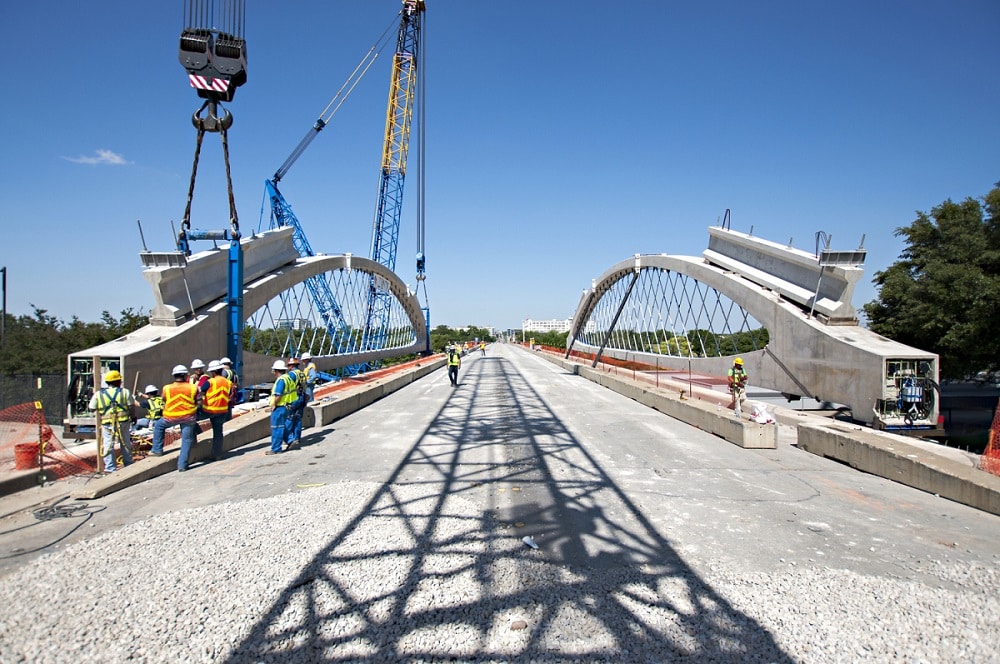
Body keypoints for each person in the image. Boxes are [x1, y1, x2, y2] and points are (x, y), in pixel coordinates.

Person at [151, 365, 202, 472]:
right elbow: (199, 403)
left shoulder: (167, 388)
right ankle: (182, 465)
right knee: (186, 440)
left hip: (170, 417)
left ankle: (157, 450)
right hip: (188, 417)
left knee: (159, 425)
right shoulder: (193, 387)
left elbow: (164, 399)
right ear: (185, 375)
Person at [88, 370, 136, 473]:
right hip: (123, 422)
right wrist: (133, 417)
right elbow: (131, 406)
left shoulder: (98, 394)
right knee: (125, 443)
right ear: (118, 381)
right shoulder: (125, 392)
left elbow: (91, 408)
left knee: (108, 445)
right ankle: (128, 464)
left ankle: (110, 468)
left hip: (107, 423)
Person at [202, 360, 233, 461]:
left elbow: (199, 391)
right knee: (218, 433)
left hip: (209, 409)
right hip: (222, 411)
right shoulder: (228, 382)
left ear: (213, 372)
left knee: (190, 421)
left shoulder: (210, 382)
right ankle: (217, 454)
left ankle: (195, 436)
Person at [267, 360, 297, 455]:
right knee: (282, 426)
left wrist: (274, 404)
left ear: (276, 370)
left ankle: (276, 449)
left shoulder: (280, 380)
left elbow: (278, 395)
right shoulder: (288, 378)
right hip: (287, 405)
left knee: (276, 428)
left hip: (280, 406)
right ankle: (290, 440)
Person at [284, 357, 306, 447]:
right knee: (298, 418)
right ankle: (297, 438)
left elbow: (287, 386)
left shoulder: (292, 374)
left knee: (289, 418)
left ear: (292, 365)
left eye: (289, 365)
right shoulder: (302, 373)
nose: (288, 367)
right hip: (301, 397)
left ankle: (289, 439)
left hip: (293, 398)